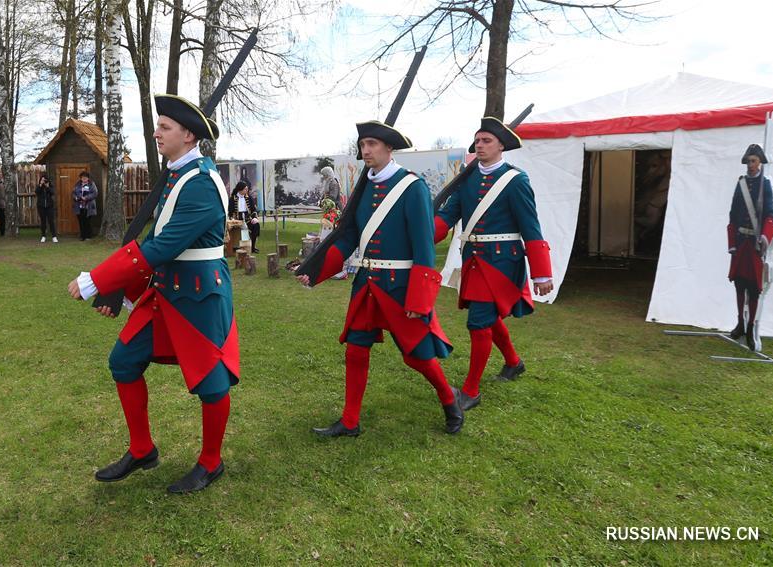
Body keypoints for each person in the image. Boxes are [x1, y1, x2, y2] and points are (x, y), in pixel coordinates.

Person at [68, 94, 238, 493]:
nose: (156, 132)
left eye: (165, 127)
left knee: (211, 384)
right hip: (165, 292)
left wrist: (97, 280)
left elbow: (161, 248)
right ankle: (142, 449)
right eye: (158, 125)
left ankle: (211, 462)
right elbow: (153, 238)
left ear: (189, 135)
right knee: (123, 361)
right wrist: (125, 292)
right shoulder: (179, 175)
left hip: (199, 298)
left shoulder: (199, 183)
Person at [297, 121, 464, 437]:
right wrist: (315, 270)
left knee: (416, 355)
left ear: (389, 148)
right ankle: (349, 422)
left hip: (400, 286)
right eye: (363, 145)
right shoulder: (363, 188)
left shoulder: (411, 187)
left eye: (373, 144)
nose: (367, 150)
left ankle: (448, 396)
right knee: (355, 350)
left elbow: (424, 245)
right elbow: (349, 238)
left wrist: (419, 298)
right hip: (367, 283)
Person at [434, 117, 553, 411]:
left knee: (478, 322)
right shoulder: (467, 179)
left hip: (502, 261)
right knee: (485, 317)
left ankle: (471, 391)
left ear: (502, 145)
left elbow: (531, 226)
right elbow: (448, 216)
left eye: (486, 140)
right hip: (474, 260)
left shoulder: (515, 180)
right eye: (477, 140)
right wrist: (420, 235)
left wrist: (541, 273)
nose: (480, 144)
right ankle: (513, 362)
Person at [727, 144, 773, 352]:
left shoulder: (766, 185)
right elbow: (733, 213)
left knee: (754, 289)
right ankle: (739, 323)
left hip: (755, 245)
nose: (750, 164)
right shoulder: (741, 184)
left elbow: (769, 216)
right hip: (741, 242)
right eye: (748, 161)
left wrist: (764, 237)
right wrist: (731, 242)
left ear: (760, 163)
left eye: (753, 161)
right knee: (739, 284)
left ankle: (750, 327)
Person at [228, 180, 260, 252]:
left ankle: (252, 247)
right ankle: (239, 247)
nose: (247, 190)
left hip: (247, 218)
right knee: (242, 228)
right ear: (240, 189)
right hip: (237, 219)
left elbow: (253, 210)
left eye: (247, 189)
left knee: (256, 226)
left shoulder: (249, 198)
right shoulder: (233, 199)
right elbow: (230, 211)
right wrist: (233, 219)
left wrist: (254, 218)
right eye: (245, 189)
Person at [72, 172, 98, 240]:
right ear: (80, 178)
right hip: (79, 205)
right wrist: (76, 198)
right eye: (83, 178)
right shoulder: (77, 184)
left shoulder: (91, 184)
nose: (84, 179)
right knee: (81, 221)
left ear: (88, 178)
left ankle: (88, 236)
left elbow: (95, 193)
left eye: (85, 177)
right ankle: (82, 236)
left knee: (87, 221)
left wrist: (86, 198)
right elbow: (73, 193)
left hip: (88, 206)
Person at [36, 173, 58, 243]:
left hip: (49, 206)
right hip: (41, 206)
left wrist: (47, 186)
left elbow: (53, 192)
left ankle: (54, 236)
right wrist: (40, 185)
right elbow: (36, 192)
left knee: (51, 221)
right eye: (42, 180)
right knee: (43, 222)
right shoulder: (39, 186)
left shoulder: (50, 186)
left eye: (44, 180)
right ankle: (43, 236)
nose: (43, 181)